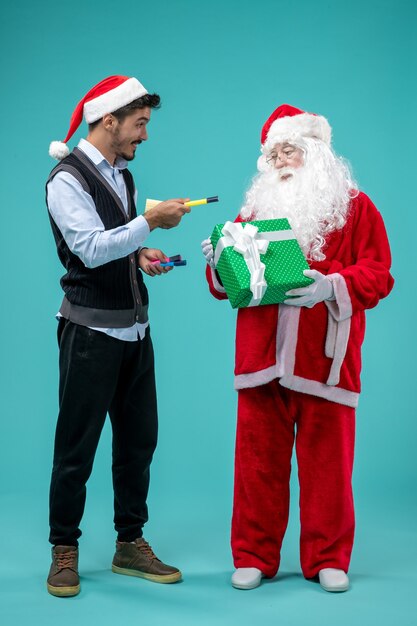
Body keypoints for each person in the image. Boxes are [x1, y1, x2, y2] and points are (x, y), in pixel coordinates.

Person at [202, 104, 394, 592]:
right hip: (261, 358)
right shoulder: (252, 213)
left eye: (290, 149)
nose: (281, 159)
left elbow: (378, 273)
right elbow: (227, 287)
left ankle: (329, 558)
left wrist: (331, 286)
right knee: (256, 465)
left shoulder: (356, 207)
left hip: (325, 361)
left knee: (328, 466)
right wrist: (220, 260)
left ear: (317, 153)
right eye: (273, 152)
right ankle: (253, 556)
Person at [46, 75, 190, 597]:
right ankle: (64, 548)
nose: (144, 134)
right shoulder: (65, 179)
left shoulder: (123, 175)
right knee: (75, 448)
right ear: (109, 120)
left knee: (138, 443)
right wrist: (149, 224)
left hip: (135, 332)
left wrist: (140, 252)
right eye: (140, 123)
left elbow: (115, 243)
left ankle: (130, 543)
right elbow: (87, 248)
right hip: (89, 333)